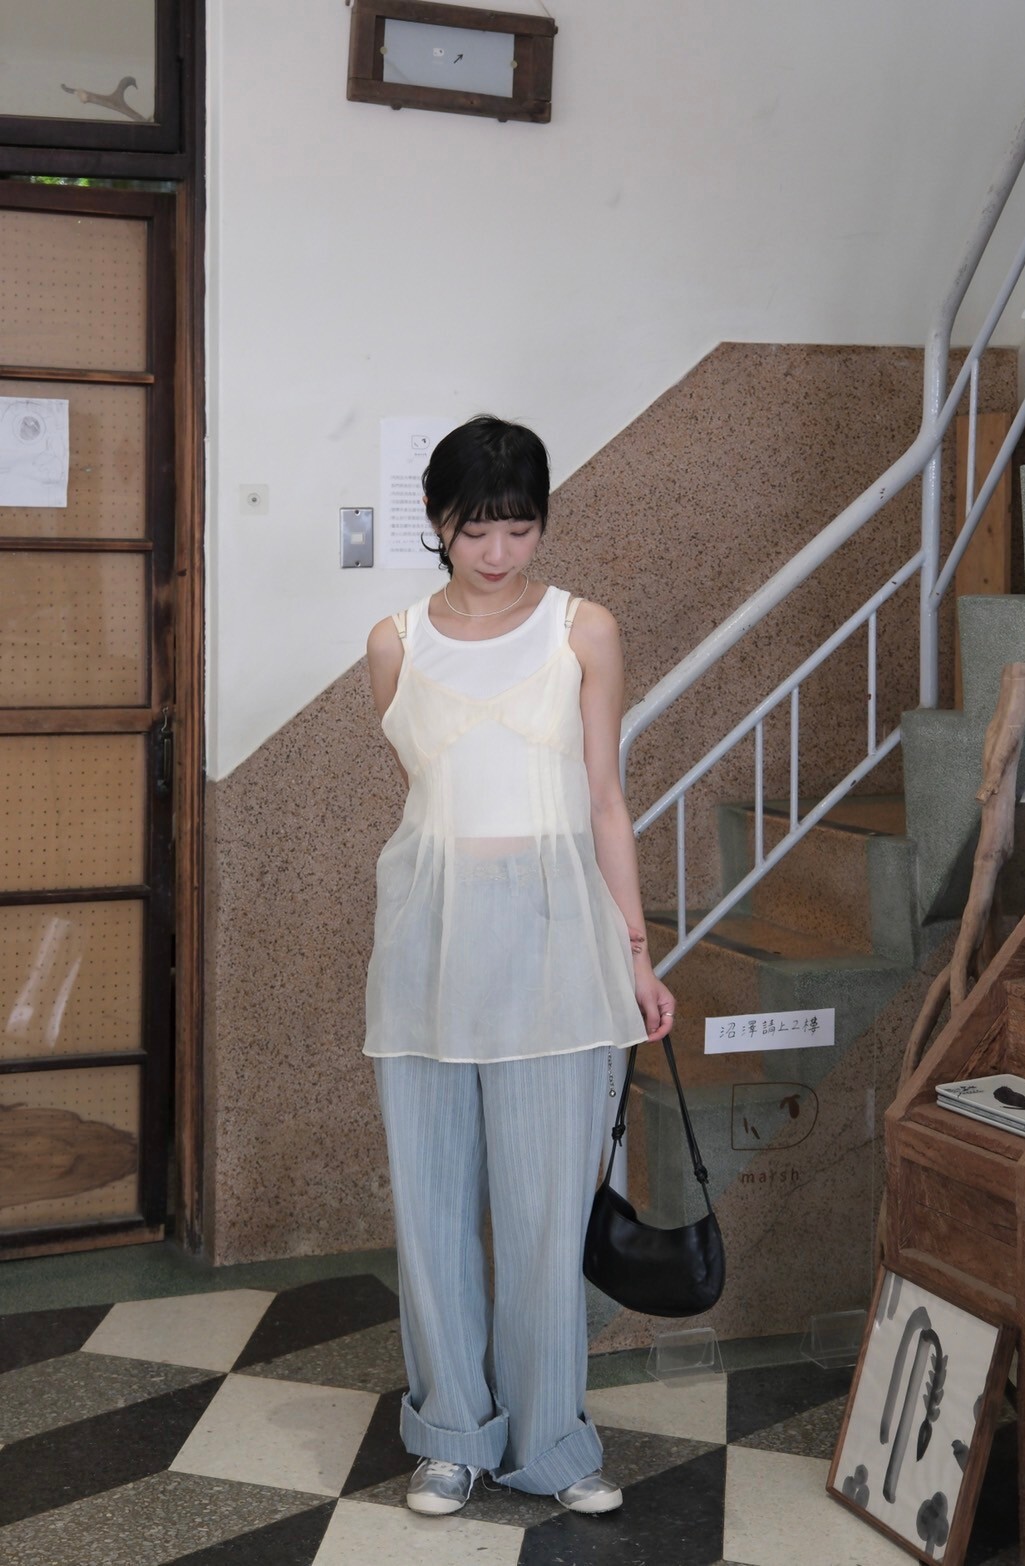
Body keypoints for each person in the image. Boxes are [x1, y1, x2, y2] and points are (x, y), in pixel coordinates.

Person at [364, 414, 675, 1518]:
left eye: (520, 528)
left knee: (548, 1217)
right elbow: (428, 801)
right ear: (437, 522)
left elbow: (605, 800)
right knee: (432, 1206)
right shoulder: (395, 642)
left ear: (542, 523)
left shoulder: (584, 630)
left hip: (556, 944)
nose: (498, 552)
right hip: (431, 945)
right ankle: (450, 1434)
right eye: (474, 529)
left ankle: (551, 1443)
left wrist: (637, 953)